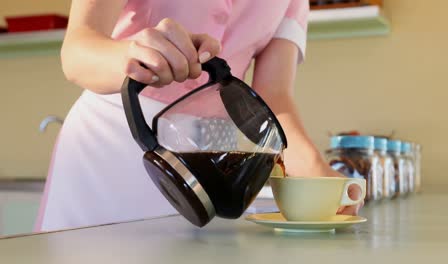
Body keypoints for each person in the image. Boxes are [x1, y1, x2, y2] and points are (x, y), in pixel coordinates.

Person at [35, 0, 362, 232]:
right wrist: (137, 56)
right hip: (106, 151)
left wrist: (317, 173)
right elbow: (76, 52)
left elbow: (273, 98)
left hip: (204, 172)